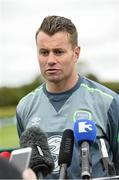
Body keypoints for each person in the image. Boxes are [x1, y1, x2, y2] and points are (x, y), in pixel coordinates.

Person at [16, 15, 119, 179]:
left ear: (76, 53)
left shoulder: (109, 103)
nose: (50, 60)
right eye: (44, 52)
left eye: (58, 52)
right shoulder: (24, 107)